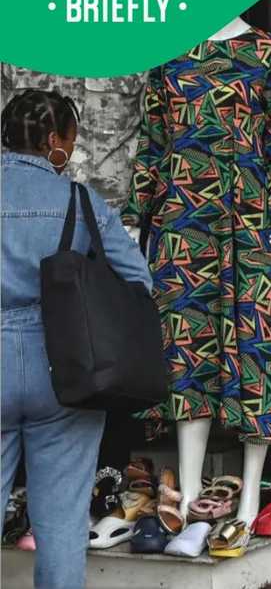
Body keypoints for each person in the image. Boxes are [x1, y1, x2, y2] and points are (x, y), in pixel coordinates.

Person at [1, 89, 152, 587]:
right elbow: (138, 282)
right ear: (52, 142)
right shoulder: (80, 201)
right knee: (63, 525)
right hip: (63, 368)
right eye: (70, 137)